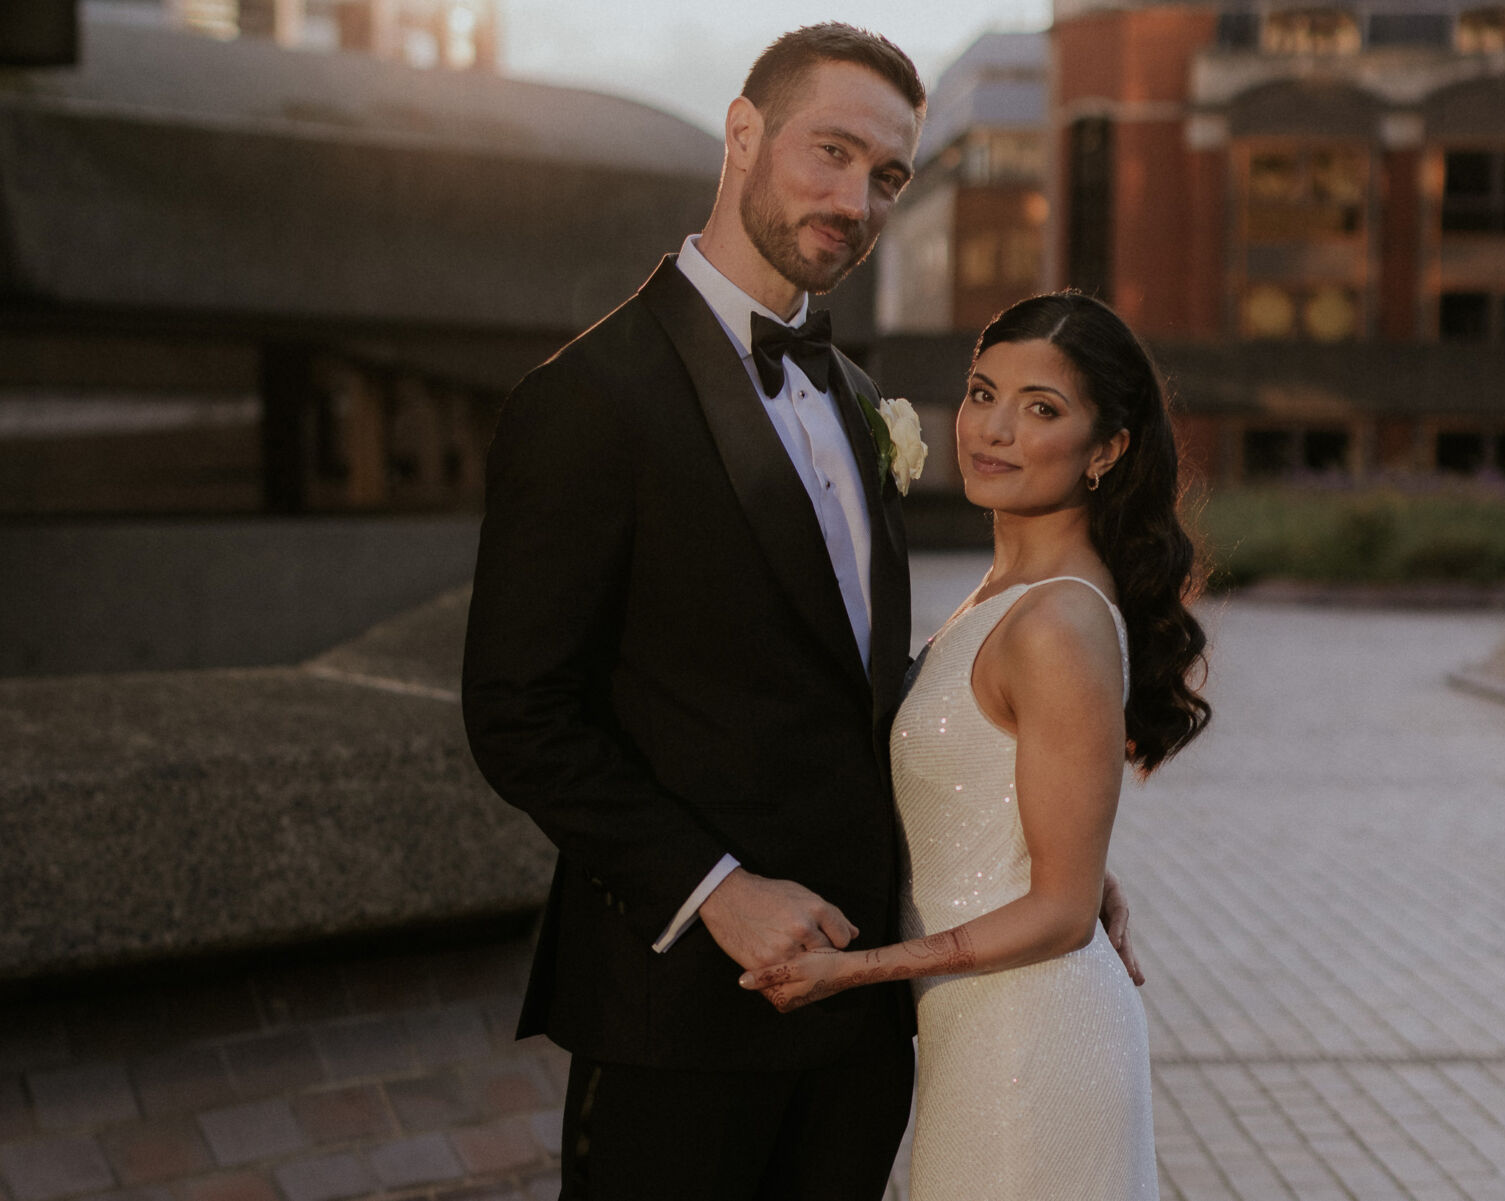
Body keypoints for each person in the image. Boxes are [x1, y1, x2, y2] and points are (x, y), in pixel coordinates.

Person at [460, 26, 1138, 1201]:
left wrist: (1047, 852)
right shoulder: (587, 400)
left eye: (886, 174)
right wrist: (718, 889)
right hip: (677, 1020)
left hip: (864, 1028)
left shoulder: (861, 398)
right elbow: (518, 712)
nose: (854, 197)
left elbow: (856, 694)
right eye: (829, 151)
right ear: (743, 136)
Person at [743, 291, 1212, 1200]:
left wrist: (854, 970)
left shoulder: (1058, 621)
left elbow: (1062, 913)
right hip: (981, 1033)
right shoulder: (1011, 589)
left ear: (1106, 449)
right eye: (981, 391)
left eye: (1042, 408)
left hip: (1028, 1046)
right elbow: (995, 797)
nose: (992, 429)